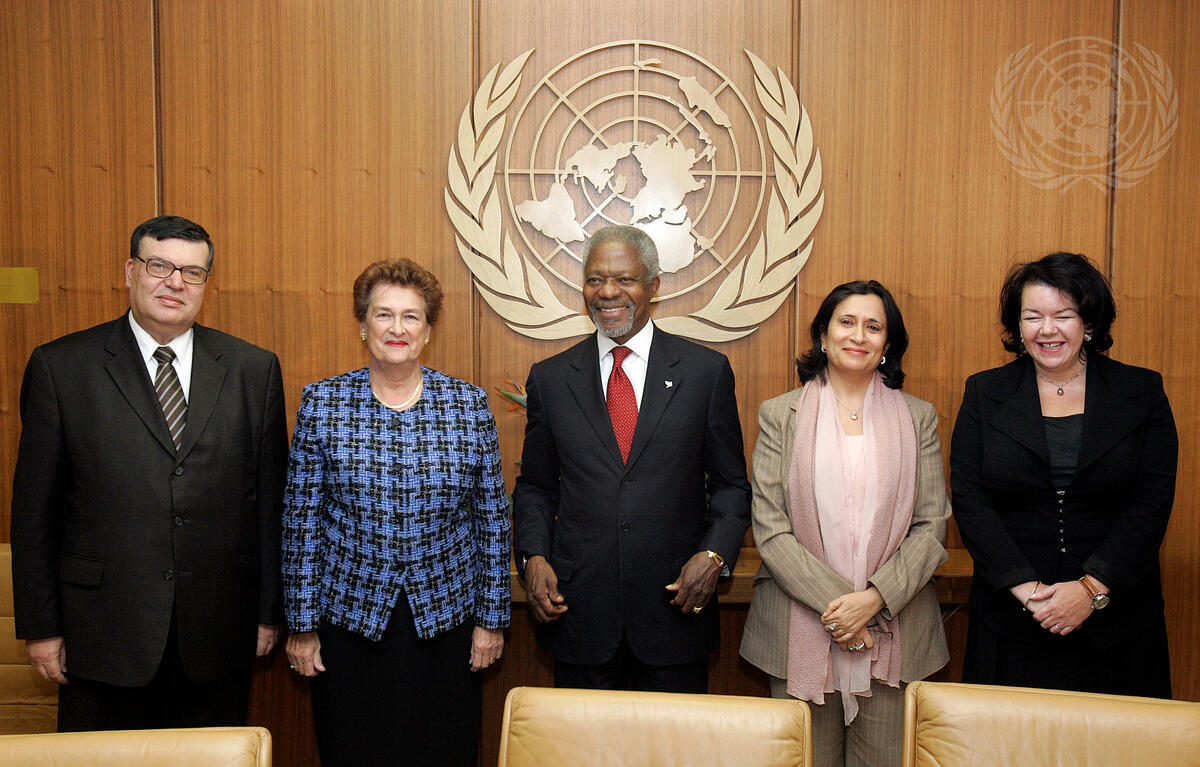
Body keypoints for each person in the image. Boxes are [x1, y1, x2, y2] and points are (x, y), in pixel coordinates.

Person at [10, 215, 286, 730]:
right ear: (130, 271)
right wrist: (41, 627)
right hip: (101, 633)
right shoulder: (62, 367)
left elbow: (270, 507)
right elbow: (34, 513)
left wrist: (269, 613)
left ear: (205, 283)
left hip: (219, 634)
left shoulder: (253, 369)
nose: (175, 282)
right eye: (159, 266)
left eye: (192, 272)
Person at [282, 258, 509, 767]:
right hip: (348, 623)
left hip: (447, 622)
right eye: (383, 314)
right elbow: (301, 524)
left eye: (411, 317)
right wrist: (301, 625)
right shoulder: (323, 403)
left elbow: (492, 520)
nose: (397, 328)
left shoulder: (468, 405)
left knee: (443, 752)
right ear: (363, 325)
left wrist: (492, 621)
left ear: (428, 331)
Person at [512, 224, 751, 694]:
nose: (608, 293)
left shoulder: (704, 373)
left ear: (654, 286)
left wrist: (714, 555)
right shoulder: (551, 379)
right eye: (595, 280)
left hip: (675, 610)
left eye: (625, 279)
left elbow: (731, 485)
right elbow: (536, 488)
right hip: (578, 614)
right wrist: (533, 556)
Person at [740, 280, 950, 767]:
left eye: (874, 326)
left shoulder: (918, 417)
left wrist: (873, 600)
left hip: (895, 631)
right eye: (847, 322)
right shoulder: (780, 415)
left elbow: (931, 524)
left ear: (887, 343)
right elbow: (771, 527)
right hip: (798, 627)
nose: (859, 335)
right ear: (823, 334)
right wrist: (842, 610)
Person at [950, 252, 1177, 697]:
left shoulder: (1141, 391)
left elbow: (1151, 502)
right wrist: (1028, 590)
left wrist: (1091, 589)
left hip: (1118, 622)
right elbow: (970, 498)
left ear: (1088, 322)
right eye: (1033, 316)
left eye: (1063, 316)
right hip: (1012, 618)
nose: (1047, 329)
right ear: (1018, 326)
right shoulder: (985, 392)